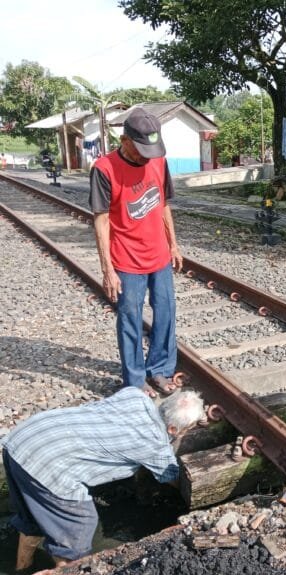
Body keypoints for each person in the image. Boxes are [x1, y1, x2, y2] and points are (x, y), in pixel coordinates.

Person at [2, 388, 205, 571]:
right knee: (80, 524)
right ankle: (69, 568)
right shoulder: (156, 446)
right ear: (172, 430)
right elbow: (171, 477)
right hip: (47, 463)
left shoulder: (136, 397)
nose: (190, 430)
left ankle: (22, 567)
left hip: (25, 436)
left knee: (34, 515)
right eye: (190, 427)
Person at [89, 107, 183, 397]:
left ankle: (160, 370)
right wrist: (108, 270)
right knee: (130, 317)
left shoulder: (158, 160)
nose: (147, 155)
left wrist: (174, 244)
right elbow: (101, 220)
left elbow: (163, 203)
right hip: (127, 259)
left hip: (159, 255)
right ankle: (134, 379)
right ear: (124, 139)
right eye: (141, 148)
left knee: (166, 311)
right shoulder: (104, 169)